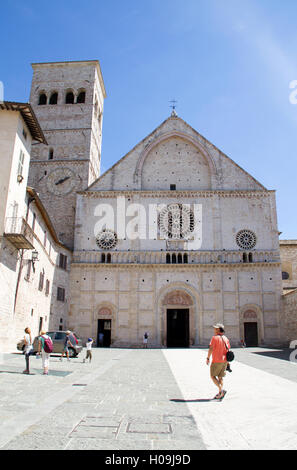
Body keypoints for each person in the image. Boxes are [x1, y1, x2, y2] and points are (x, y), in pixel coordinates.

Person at [206, 323, 231, 400]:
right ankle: (220, 393)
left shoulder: (214, 338)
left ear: (218, 330)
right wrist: (228, 363)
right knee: (220, 377)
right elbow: (228, 350)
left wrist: (208, 358)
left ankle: (221, 390)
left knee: (212, 376)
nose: (214, 330)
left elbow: (211, 348)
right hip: (224, 361)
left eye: (216, 329)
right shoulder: (226, 338)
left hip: (216, 360)